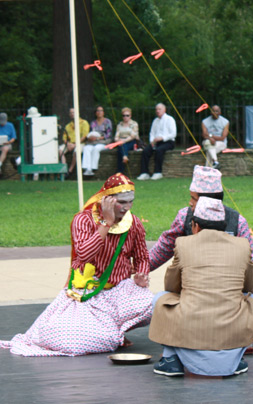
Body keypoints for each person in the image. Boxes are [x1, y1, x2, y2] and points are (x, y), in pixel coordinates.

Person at [0, 173, 154, 356]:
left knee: (150, 304)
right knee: (74, 343)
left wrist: (142, 275)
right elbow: (84, 255)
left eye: (131, 202)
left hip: (118, 291)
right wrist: (106, 223)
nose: (127, 208)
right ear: (107, 200)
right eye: (122, 202)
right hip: (87, 293)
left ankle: (116, 333)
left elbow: (142, 257)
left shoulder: (134, 223)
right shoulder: (83, 220)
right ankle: (109, 335)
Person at [149, 196, 253, 377]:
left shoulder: (183, 243)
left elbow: (171, 286)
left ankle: (171, 360)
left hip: (189, 328)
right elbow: (250, 286)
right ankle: (236, 357)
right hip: (232, 326)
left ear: (195, 226)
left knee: (160, 298)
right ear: (224, 225)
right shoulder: (243, 245)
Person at [149, 165, 253, 301]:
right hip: (194, 281)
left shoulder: (237, 222)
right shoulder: (184, 216)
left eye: (194, 198)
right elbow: (164, 247)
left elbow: (250, 265)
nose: (190, 202)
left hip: (229, 283)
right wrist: (140, 266)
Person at [136, 103, 176, 181]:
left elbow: (173, 134)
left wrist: (162, 138)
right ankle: (144, 173)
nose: (157, 111)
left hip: (168, 142)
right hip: (156, 142)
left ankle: (158, 172)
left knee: (159, 150)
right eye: (156, 109)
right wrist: (152, 141)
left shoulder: (170, 119)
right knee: (145, 151)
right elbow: (152, 133)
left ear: (164, 110)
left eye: (159, 109)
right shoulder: (155, 121)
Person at [82, 105, 113, 176]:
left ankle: (93, 168)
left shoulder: (107, 122)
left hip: (103, 142)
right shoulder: (93, 123)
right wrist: (89, 137)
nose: (99, 112)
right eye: (97, 111)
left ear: (103, 112)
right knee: (86, 148)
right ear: (95, 113)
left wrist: (98, 138)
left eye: (101, 110)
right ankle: (87, 168)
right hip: (93, 142)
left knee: (96, 149)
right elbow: (90, 132)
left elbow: (108, 134)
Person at [59, 108, 89, 178]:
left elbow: (84, 136)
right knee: (60, 150)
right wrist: (67, 144)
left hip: (80, 143)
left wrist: (75, 144)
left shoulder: (84, 123)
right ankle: (64, 170)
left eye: (74, 112)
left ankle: (70, 170)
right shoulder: (68, 125)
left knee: (76, 151)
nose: (72, 114)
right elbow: (64, 137)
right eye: (71, 113)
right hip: (69, 144)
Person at [201, 105, 229, 169]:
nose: (215, 113)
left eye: (217, 111)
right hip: (208, 142)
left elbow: (222, 138)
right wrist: (210, 138)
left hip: (221, 143)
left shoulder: (225, 122)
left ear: (220, 112)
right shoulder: (204, 121)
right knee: (208, 143)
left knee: (209, 152)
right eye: (213, 111)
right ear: (211, 112)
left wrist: (210, 136)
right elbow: (204, 135)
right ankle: (215, 162)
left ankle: (208, 170)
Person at [115, 107, 139, 174]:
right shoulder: (120, 124)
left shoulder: (134, 124)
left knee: (122, 146)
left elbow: (133, 136)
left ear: (130, 116)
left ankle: (119, 171)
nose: (125, 117)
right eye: (124, 115)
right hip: (121, 142)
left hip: (131, 141)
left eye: (127, 115)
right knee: (121, 146)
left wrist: (123, 141)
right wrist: (118, 140)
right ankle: (125, 157)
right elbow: (116, 136)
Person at [0, 112, 17, 176]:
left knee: (5, 149)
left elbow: (13, 138)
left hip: (7, 144)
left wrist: (8, 142)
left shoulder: (10, 125)